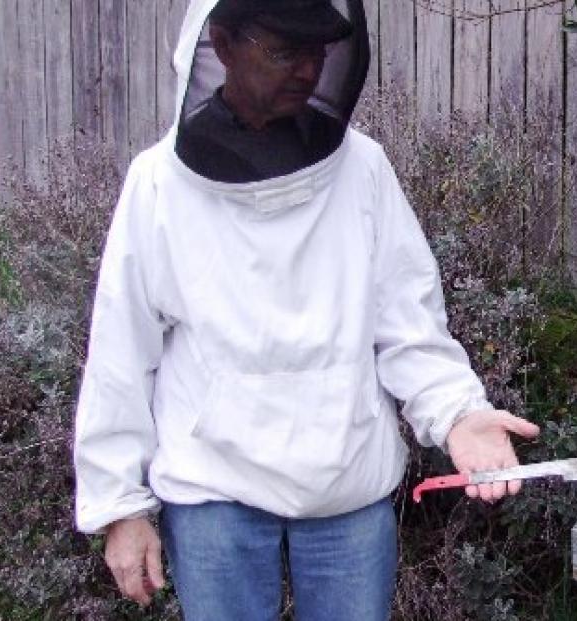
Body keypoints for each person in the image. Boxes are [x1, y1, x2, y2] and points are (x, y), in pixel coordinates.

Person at [72, 0, 540, 619]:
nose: (306, 71)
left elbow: (408, 323)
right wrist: (120, 508)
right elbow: (121, 354)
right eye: (285, 51)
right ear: (223, 42)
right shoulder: (157, 185)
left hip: (346, 491)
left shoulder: (363, 169)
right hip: (214, 492)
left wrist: (459, 413)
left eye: (318, 54)